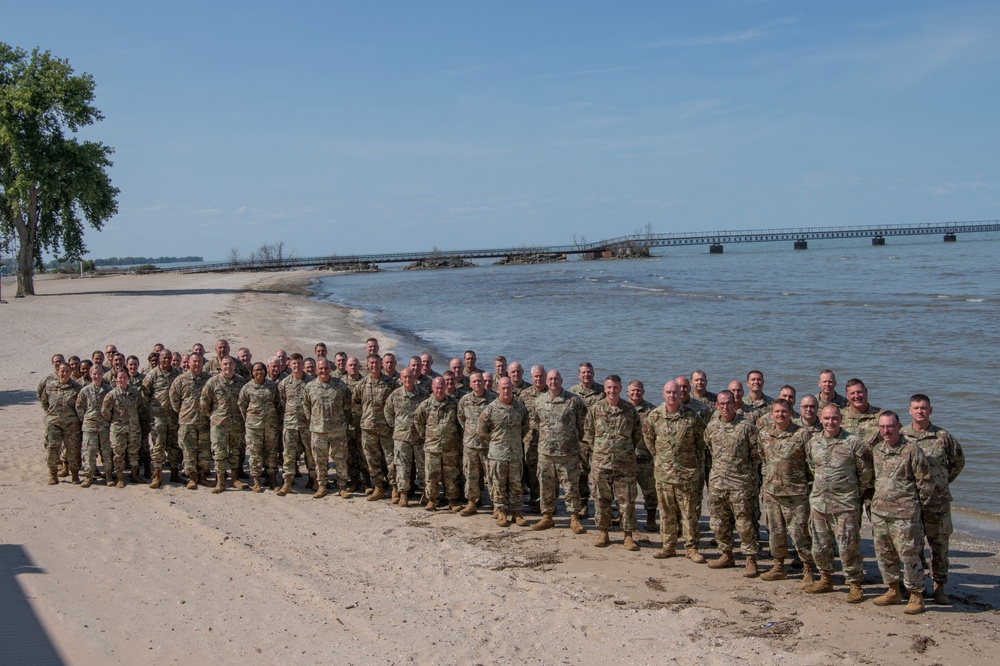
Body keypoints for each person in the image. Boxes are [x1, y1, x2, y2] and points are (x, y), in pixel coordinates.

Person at [804, 405, 873, 602]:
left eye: (834, 418)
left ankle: (854, 583)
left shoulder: (854, 443)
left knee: (848, 546)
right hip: (819, 502)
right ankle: (826, 578)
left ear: (840, 419)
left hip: (845, 505)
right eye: (826, 418)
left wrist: (850, 492)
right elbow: (811, 467)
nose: (830, 422)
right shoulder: (813, 442)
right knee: (819, 545)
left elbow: (865, 473)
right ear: (820, 419)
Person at [901, 394, 965, 604]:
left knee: (939, 547)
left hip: (938, 503)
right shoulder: (902, 436)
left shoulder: (942, 436)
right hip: (912, 502)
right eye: (916, 408)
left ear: (930, 410)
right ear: (909, 411)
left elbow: (958, 462)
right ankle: (916, 587)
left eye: (923, 408)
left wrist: (942, 483)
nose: (920, 411)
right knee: (913, 546)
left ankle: (939, 586)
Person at [871, 411, 934, 614]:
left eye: (890, 426)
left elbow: (925, 482)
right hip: (881, 513)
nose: (886, 431)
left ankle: (916, 595)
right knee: (884, 554)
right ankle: (893, 590)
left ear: (899, 426)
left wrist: (916, 506)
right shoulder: (877, 450)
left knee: (909, 555)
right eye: (882, 427)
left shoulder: (912, 451)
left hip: (905, 515)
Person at [642, 381, 707, 561]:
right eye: (669, 392)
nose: (672, 395)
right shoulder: (654, 416)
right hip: (664, 475)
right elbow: (649, 439)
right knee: (666, 513)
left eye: (675, 392)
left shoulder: (692, 417)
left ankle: (691, 548)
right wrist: (663, 458)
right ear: (663, 394)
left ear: (681, 394)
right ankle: (669, 546)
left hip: (687, 475)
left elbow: (701, 442)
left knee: (689, 513)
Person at [757, 399, 814, 586]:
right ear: (771, 414)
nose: (780, 414)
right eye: (777, 411)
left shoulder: (802, 435)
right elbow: (762, 458)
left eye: (784, 411)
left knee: (800, 533)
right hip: (772, 493)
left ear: (791, 412)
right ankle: (778, 566)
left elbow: (811, 464)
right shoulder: (764, 434)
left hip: (795, 494)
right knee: (775, 532)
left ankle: (807, 568)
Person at [704, 390, 761, 576]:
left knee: (744, 524)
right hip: (717, 483)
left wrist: (743, 474)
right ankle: (726, 554)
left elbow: (757, 455)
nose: (726, 407)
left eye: (729, 403)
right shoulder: (712, 427)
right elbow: (709, 448)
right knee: (719, 523)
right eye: (722, 404)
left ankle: (750, 559)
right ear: (717, 406)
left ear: (734, 404)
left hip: (741, 485)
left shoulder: (747, 426)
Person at [584, 375, 642, 551]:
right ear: (605, 389)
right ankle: (603, 532)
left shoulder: (629, 410)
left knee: (627, 501)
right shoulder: (596, 409)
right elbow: (589, 433)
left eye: (615, 387)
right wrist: (601, 451)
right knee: (601, 499)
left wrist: (623, 451)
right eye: (609, 387)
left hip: (625, 464)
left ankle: (628, 535)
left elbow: (636, 435)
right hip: (601, 463)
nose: (612, 390)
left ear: (621, 389)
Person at [529, 370, 587, 533]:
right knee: (546, 486)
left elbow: (583, 425)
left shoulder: (574, 401)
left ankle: (574, 518)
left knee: (570, 487)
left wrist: (572, 441)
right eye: (551, 379)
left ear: (561, 380)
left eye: (556, 379)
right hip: (546, 453)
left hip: (567, 453)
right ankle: (547, 517)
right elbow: (535, 423)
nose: (553, 381)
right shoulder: (539, 401)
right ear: (547, 381)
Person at [479, 377, 532, 527]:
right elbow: (481, 430)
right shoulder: (490, 409)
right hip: (497, 454)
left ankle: (517, 513)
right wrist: (495, 441)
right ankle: (501, 511)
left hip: (515, 454)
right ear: (498, 389)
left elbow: (525, 426)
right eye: (503, 388)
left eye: (508, 387)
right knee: (499, 484)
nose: (506, 390)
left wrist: (515, 440)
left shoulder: (520, 408)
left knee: (516, 484)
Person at [302, 358, 353, 498]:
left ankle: (342, 486)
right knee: (320, 459)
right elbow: (306, 406)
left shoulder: (340, 386)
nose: (323, 371)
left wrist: (341, 421)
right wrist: (313, 420)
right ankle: (322, 485)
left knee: (340, 458)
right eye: (321, 369)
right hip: (318, 430)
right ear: (316, 370)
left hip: (337, 430)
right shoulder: (310, 387)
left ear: (330, 369)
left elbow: (347, 406)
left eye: (326, 368)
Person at [352, 353, 399, 502]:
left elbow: (397, 404)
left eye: (377, 363)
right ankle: (378, 487)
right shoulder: (362, 384)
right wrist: (365, 418)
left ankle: (395, 488)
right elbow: (356, 403)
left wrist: (391, 422)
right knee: (372, 460)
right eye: (371, 363)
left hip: (386, 428)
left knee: (391, 460)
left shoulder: (391, 383)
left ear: (382, 365)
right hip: (368, 428)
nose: (374, 366)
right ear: (367, 365)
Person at [413, 376, 463, 511]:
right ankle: (432, 500)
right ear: (432, 388)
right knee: (432, 475)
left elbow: (461, 423)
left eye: (442, 387)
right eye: (437, 387)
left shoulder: (454, 404)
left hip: (450, 447)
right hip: (432, 447)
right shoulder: (426, 405)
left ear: (445, 388)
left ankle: (452, 501)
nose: (439, 390)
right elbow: (418, 421)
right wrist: (426, 436)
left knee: (451, 475)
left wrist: (457, 439)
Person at [384, 367, 429, 507]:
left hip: (419, 437)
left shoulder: (423, 394)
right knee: (402, 467)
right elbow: (388, 413)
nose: (408, 379)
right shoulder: (395, 395)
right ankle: (403, 494)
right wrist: (398, 427)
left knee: (423, 467)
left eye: (410, 376)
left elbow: (428, 413)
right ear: (401, 379)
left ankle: (425, 493)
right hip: (401, 437)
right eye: (405, 377)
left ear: (414, 378)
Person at [168, 353, 212, 489]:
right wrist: (184, 412)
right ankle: (192, 478)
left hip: (204, 422)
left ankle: (203, 476)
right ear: (188, 363)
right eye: (194, 362)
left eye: (199, 361)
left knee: (204, 451)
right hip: (187, 422)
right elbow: (174, 400)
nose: (197, 364)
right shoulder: (180, 380)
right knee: (188, 452)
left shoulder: (209, 379)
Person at [239, 361, 283, 493]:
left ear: (265, 371)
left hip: (270, 426)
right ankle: (256, 481)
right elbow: (242, 405)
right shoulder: (247, 388)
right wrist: (250, 419)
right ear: (252, 373)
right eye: (256, 370)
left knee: (271, 453)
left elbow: (278, 404)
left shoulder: (272, 386)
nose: (259, 372)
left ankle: (273, 480)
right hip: (253, 427)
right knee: (255, 453)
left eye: (261, 370)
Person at [457, 372, 496, 516]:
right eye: (475, 381)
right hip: (470, 445)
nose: (478, 383)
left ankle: (496, 505)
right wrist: (471, 432)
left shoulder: (493, 399)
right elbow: (461, 418)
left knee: (492, 477)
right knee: (471, 476)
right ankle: (472, 503)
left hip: (488, 446)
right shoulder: (464, 400)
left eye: (480, 381)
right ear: (470, 384)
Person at [277, 353, 316, 495]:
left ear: (303, 364)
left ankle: (314, 479)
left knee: (311, 453)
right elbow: (282, 402)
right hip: (290, 424)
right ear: (290, 365)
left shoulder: (312, 382)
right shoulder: (284, 383)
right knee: (288, 454)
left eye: (299, 363)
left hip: (307, 424)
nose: (297, 366)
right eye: (294, 363)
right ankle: (287, 482)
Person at [569, 362, 604, 519]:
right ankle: (584, 504)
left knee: (600, 474)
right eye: (583, 372)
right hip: (581, 439)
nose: (586, 375)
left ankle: (602, 506)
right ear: (579, 375)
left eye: (589, 372)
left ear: (593, 373)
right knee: (582, 473)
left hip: (600, 440)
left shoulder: (603, 391)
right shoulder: (572, 393)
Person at [143, 349, 183, 487]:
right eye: (164, 358)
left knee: (174, 446)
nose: (167, 360)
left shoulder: (178, 374)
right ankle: (157, 475)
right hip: (158, 417)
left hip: (173, 416)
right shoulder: (152, 375)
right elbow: (145, 395)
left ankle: (174, 474)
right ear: (159, 359)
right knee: (158, 446)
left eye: (169, 358)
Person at [40, 362, 82, 484]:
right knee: (52, 448)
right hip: (54, 423)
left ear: (71, 372)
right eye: (62, 371)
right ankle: (53, 474)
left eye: (67, 371)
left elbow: (80, 405)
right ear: (58, 372)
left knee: (73, 449)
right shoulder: (50, 387)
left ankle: (75, 474)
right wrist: (51, 416)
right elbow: (44, 402)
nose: (64, 374)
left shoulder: (76, 388)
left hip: (71, 424)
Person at [627, 380, 659, 532]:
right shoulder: (623, 409)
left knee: (650, 492)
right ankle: (627, 520)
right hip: (626, 460)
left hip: (645, 459)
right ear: (627, 392)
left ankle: (651, 519)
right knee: (626, 494)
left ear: (643, 392)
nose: (636, 393)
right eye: (633, 390)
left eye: (638, 390)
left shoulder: (652, 411)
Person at [101, 370, 141, 488]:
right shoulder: (111, 394)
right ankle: (120, 478)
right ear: (116, 379)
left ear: (128, 378)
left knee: (134, 452)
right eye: (120, 378)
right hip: (118, 428)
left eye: (124, 377)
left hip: (134, 428)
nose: (122, 380)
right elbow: (105, 411)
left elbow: (141, 408)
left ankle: (134, 475)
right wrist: (115, 420)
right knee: (118, 453)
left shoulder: (135, 393)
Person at [75, 364, 112, 487]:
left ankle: (108, 475)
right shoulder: (85, 390)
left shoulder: (108, 389)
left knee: (106, 451)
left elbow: (113, 406)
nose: (97, 376)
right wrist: (86, 418)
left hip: (104, 425)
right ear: (91, 375)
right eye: (94, 374)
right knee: (89, 451)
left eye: (99, 374)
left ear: (102, 375)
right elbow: (79, 407)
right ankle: (89, 476)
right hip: (89, 425)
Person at [519, 364, 547, 513]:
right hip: (530, 440)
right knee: (531, 473)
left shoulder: (552, 393)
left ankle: (549, 502)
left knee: (548, 473)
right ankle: (535, 501)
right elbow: (519, 417)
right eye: (536, 376)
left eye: (541, 376)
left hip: (548, 441)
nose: (538, 379)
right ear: (532, 377)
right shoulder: (525, 394)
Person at [342, 356, 367, 492]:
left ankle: (367, 481)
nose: (353, 367)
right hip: (346, 425)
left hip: (362, 425)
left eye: (355, 365)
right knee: (350, 455)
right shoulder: (340, 384)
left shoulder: (365, 383)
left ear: (359, 367)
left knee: (364, 454)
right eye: (350, 365)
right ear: (346, 367)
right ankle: (354, 480)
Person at [840, 379, 883, 451]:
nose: (856, 396)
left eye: (859, 392)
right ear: (847, 396)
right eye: (852, 393)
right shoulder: (839, 416)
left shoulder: (881, 416)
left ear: (866, 392)